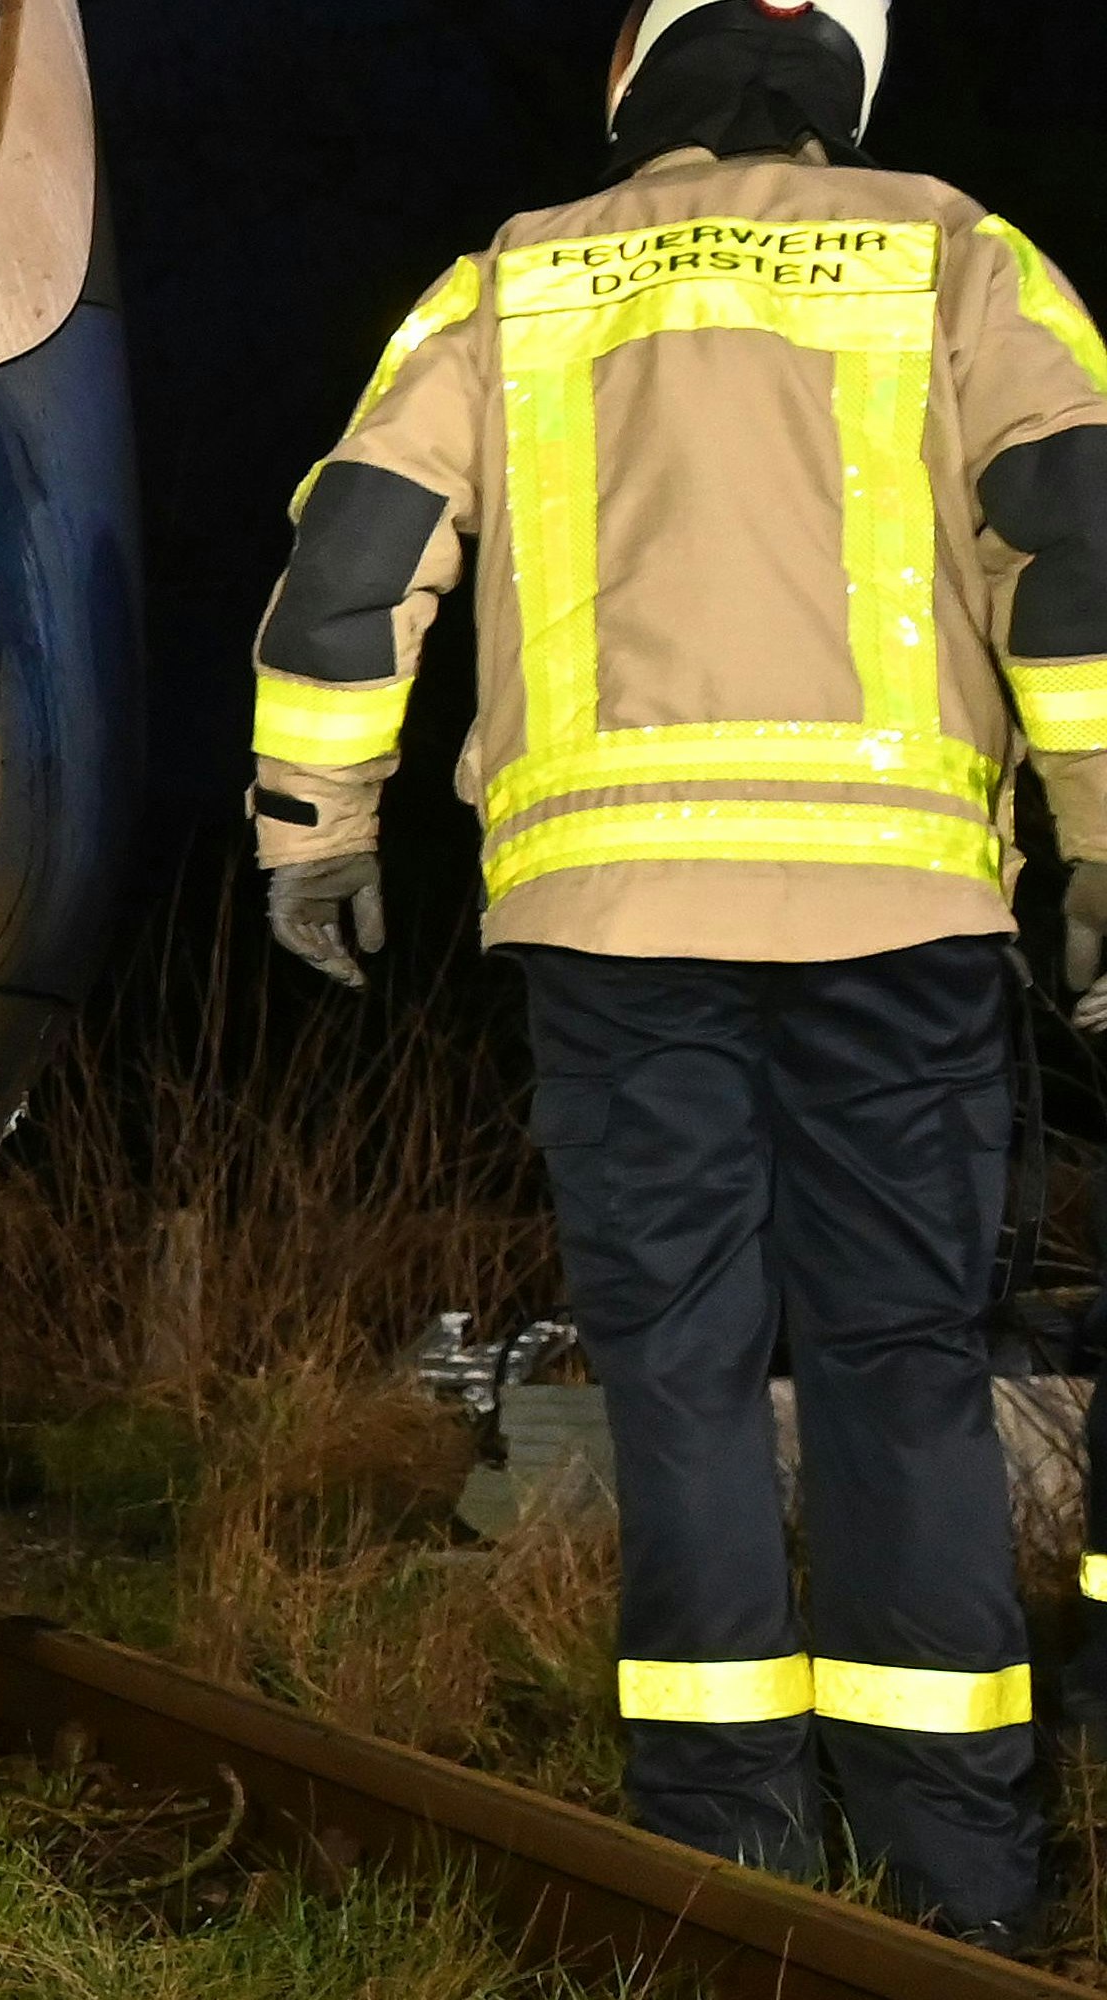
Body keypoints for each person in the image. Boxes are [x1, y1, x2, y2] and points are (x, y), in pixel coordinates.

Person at [247, 0, 1107, 1948]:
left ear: (635, 78)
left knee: (681, 1378)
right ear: (840, 87)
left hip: (612, 921)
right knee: (901, 1373)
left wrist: (312, 828)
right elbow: (1069, 544)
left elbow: (347, 561)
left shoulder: (510, 279)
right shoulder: (956, 254)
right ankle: (953, 1889)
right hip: (894, 915)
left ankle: (720, 1872)